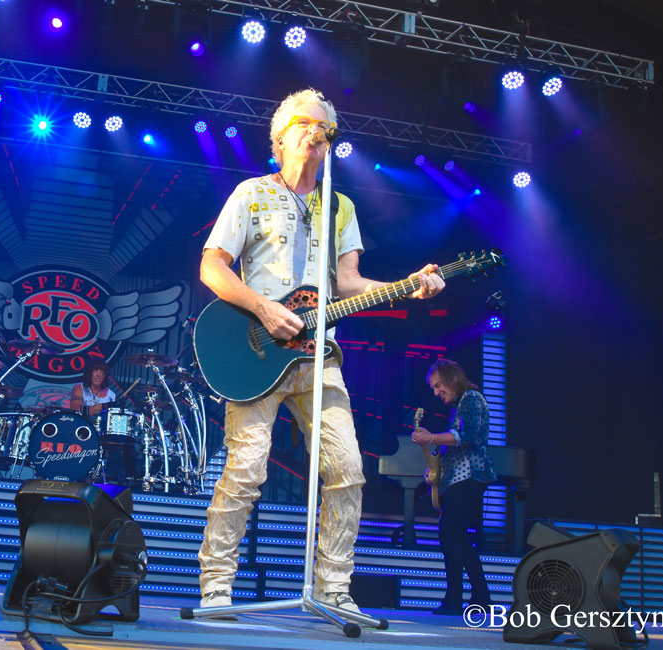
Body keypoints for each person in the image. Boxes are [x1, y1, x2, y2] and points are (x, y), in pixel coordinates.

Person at [197, 88, 445, 613]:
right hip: (259, 353)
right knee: (245, 470)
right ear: (281, 136)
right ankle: (217, 583)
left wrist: (407, 283)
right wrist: (265, 309)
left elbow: (349, 282)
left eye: (324, 127)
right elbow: (213, 267)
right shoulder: (251, 193)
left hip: (320, 357)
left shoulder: (340, 205)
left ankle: (334, 586)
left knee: (349, 468)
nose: (316, 132)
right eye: (306, 123)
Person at [411, 358, 496, 615]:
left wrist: (431, 437)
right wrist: (436, 471)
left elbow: (465, 436)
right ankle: (480, 597)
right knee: (457, 538)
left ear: (450, 378)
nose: (436, 392)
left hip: (469, 476)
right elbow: (454, 444)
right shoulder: (460, 404)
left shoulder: (471, 398)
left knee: (450, 535)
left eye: (438, 386)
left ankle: (454, 600)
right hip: (458, 478)